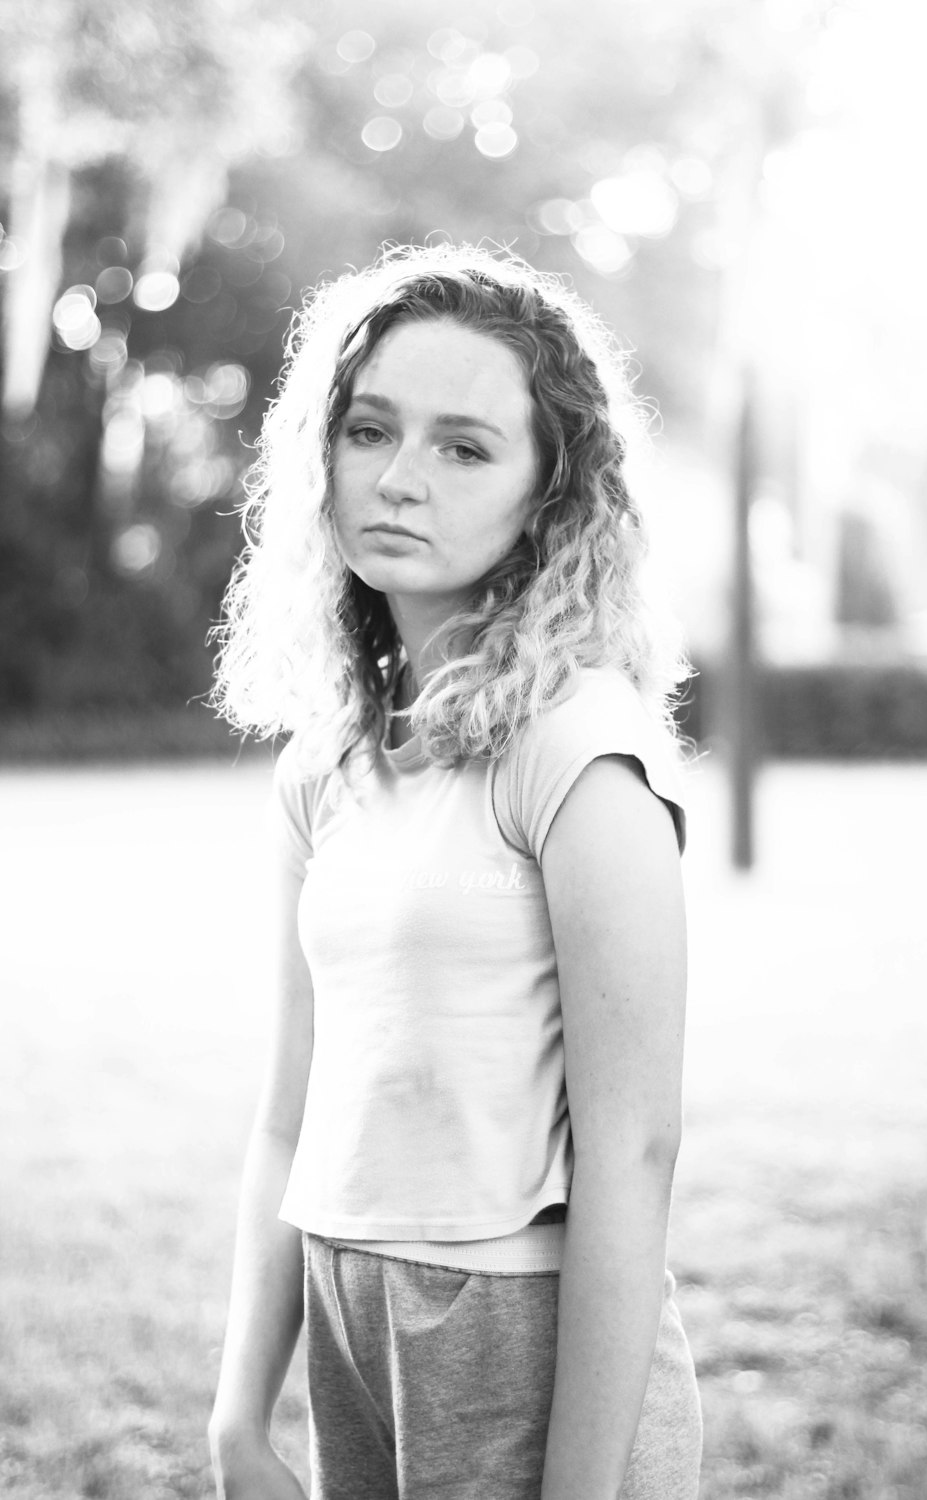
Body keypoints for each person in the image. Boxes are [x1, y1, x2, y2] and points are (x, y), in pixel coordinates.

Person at [207, 242, 702, 1500]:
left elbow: (633, 1151)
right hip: (342, 1308)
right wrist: (235, 1421)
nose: (400, 480)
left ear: (549, 497)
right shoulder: (323, 768)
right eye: (370, 431)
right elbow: (288, 1117)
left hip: (519, 1330)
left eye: (465, 447)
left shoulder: (582, 752)